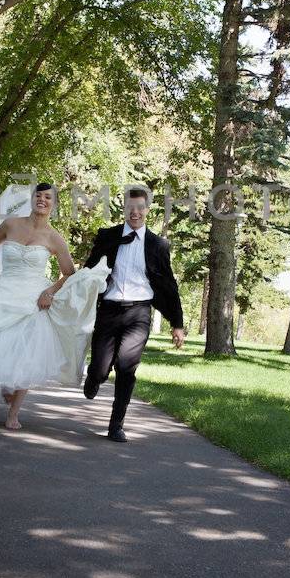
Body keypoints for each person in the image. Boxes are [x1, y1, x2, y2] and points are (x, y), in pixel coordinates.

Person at [0, 183, 109, 431]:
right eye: (38, 196)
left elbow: (69, 274)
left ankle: (14, 412)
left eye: (47, 197)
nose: (42, 200)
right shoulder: (11, 224)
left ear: (54, 204)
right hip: (4, 289)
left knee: (29, 353)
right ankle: (8, 385)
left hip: (34, 299)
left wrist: (49, 292)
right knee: (0, 339)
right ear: (31, 199)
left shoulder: (54, 238)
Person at [83, 186, 186, 442]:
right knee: (100, 368)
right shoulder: (108, 236)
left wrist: (177, 323)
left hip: (139, 312)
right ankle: (95, 378)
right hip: (108, 310)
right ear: (124, 208)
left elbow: (168, 284)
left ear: (147, 210)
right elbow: (89, 269)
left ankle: (116, 425)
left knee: (127, 366)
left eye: (140, 207)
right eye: (131, 207)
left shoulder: (157, 244)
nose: (135, 212)